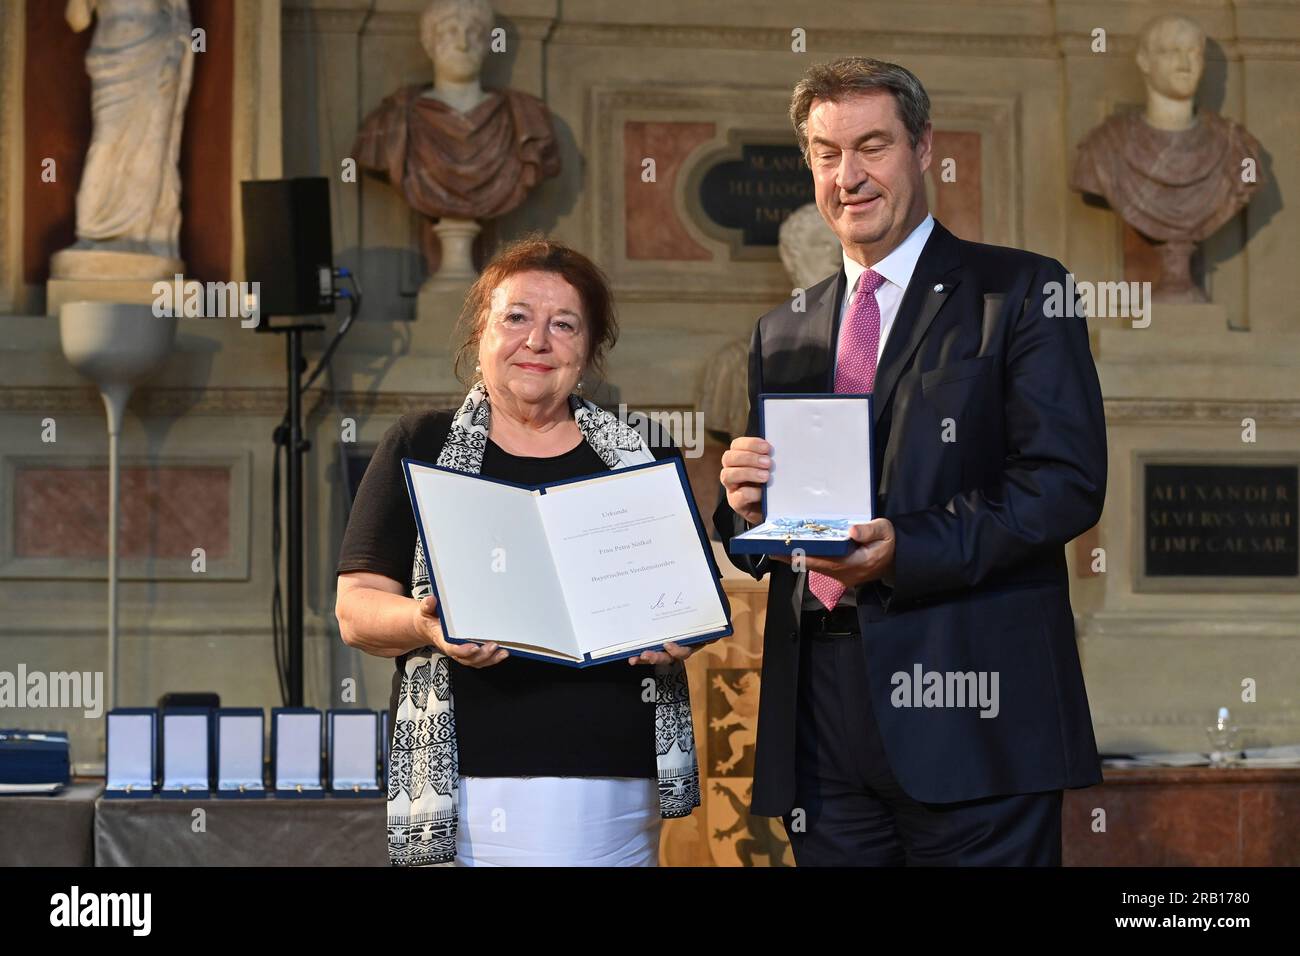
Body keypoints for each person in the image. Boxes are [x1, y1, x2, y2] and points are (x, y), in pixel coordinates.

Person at [714, 57, 1107, 865]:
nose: (848, 176)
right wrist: (744, 505)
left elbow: (1064, 485)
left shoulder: (1022, 292)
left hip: (973, 710)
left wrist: (908, 550)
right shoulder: (782, 330)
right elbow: (782, 516)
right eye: (827, 154)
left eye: (872, 146)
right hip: (819, 722)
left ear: (924, 148)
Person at [336, 237, 718, 866]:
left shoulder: (640, 451)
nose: (537, 341)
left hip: (617, 787)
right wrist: (425, 625)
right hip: (465, 784)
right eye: (516, 317)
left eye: (563, 324)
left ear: (588, 350)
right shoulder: (420, 444)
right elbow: (356, 611)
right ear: (480, 334)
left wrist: (682, 630)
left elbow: (688, 600)